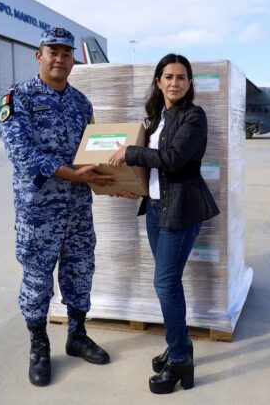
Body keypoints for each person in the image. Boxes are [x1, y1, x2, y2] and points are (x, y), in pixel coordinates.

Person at [0, 26, 116, 387]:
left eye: (66, 54)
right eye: (53, 52)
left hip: (78, 209)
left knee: (80, 271)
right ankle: (39, 345)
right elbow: (21, 155)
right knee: (37, 280)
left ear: (72, 61)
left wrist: (119, 181)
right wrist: (73, 175)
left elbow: (94, 152)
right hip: (39, 212)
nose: (60, 59)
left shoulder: (82, 104)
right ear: (39, 56)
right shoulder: (18, 98)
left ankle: (77, 336)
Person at [109, 53, 220, 394]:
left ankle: (180, 359)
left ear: (189, 84)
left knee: (165, 284)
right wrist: (131, 185)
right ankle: (179, 347)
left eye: (181, 77)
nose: (175, 82)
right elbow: (153, 170)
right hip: (156, 209)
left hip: (181, 211)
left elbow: (172, 161)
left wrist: (130, 154)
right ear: (158, 81)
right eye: (168, 76)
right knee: (168, 283)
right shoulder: (156, 119)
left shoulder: (194, 117)